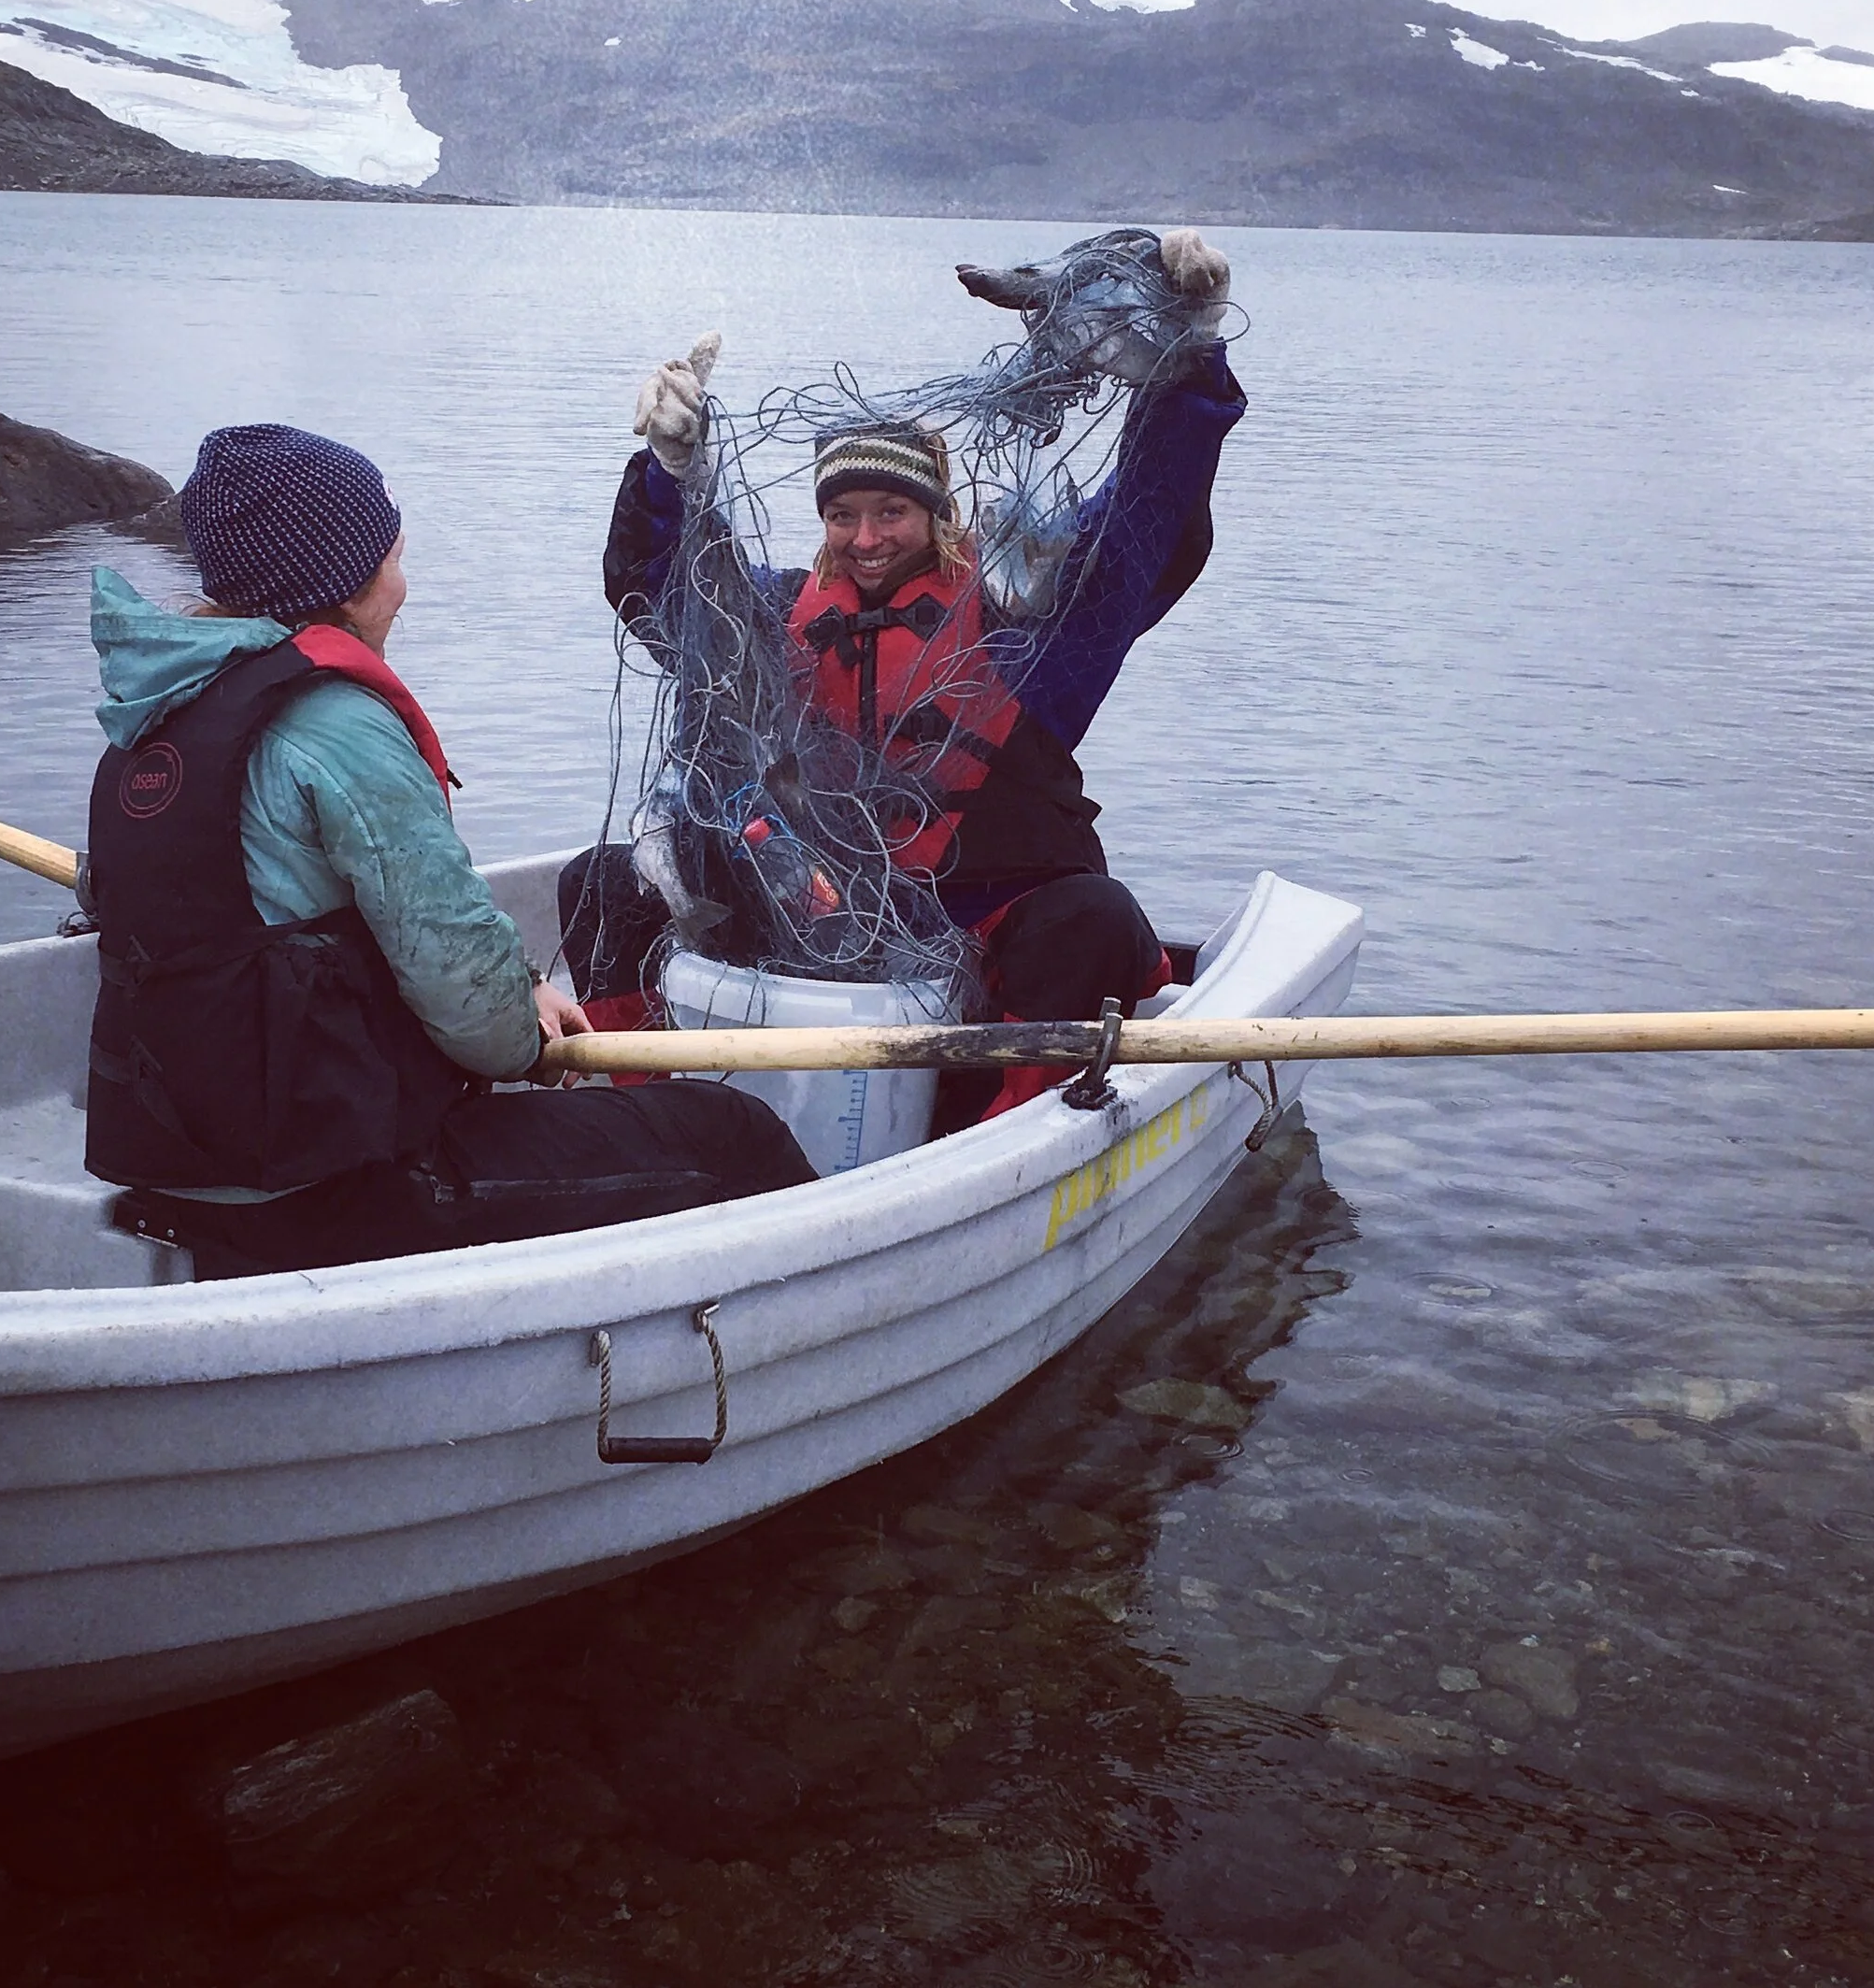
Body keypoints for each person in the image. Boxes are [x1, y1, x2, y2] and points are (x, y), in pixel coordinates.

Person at [82, 420, 815, 1280]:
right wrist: (520, 1029)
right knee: (732, 1135)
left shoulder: (157, 712)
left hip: (181, 1165)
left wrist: (523, 985)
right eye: (392, 559)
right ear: (343, 584)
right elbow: (477, 1016)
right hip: (336, 1191)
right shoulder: (336, 725)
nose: (403, 586)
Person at [564, 228, 1245, 1123]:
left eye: (892, 510)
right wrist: (669, 471)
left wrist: (1191, 358)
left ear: (939, 516)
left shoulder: (1024, 626)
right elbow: (664, 594)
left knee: (1097, 918)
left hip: (992, 922)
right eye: (843, 514)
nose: (868, 536)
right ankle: (639, 1109)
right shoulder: (773, 616)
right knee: (603, 881)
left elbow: (1139, 529)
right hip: (817, 913)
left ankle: (1008, 1131)